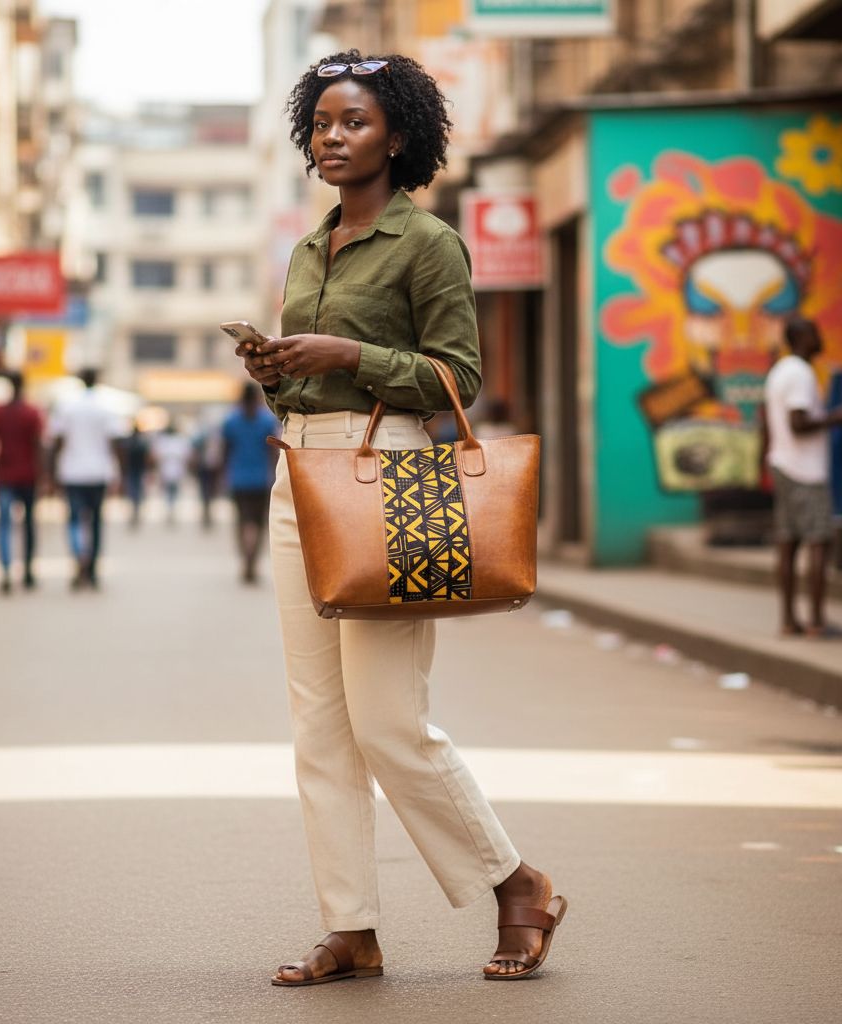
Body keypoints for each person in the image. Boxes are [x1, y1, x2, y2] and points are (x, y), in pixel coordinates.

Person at [236, 50, 567, 986]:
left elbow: (458, 378)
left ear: (399, 137)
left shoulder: (428, 242)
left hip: (391, 479)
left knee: (387, 720)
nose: (332, 138)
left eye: (355, 122)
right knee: (320, 726)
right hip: (303, 475)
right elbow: (309, 381)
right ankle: (351, 927)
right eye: (322, 123)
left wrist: (349, 352)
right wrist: (276, 373)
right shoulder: (310, 247)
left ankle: (518, 882)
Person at [762, 316, 842, 638]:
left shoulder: (779, 371)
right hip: (805, 470)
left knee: (788, 542)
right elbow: (798, 423)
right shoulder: (800, 373)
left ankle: (788, 620)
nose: (820, 338)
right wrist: (840, 417)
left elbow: (767, 422)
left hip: (783, 463)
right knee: (819, 540)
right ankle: (817, 621)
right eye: (814, 333)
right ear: (800, 337)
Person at [48, 368, 125, 590]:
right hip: (99, 472)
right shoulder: (106, 407)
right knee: (96, 523)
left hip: (72, 472)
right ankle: (91, 569)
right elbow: (115, 443)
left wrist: (52, 472)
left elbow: (57, 441)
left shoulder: (67, 405)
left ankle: (79, 556)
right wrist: (119, 473)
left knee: (74, 520)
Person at [0, 371, 43, 594]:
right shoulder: (32, 412)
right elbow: (39, 445)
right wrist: (44, 474)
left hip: (5, 475)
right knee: (28, 525)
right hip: (28, 474)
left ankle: (6, 570)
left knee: (4, 525)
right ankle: (27, 570)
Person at [221, 383, 280, 583]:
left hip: (238, 479)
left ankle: (245, 560)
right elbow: (272, 452)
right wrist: (276, 475)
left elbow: (225, 451)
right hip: (262, 480)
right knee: (258, 523)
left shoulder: (231, 421)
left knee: (242, 521)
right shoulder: (266, 420)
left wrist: (223, 476)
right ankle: (252, 561)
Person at [151, 419, 190, 526]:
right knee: (170, 491)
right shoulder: (176, 440)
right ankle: (170, 508)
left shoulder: (168, 441)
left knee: (171, 491)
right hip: (170, 469)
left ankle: (171, 508)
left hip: (172, 469)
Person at [190, 421, 224, 529]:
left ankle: (207, 511)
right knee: (208, 490)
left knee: (207, 490)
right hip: (208, 468)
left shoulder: (202, 438)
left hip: (208, 468)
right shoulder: (214, 438)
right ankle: (207, 511)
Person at [121, 423, 150, 528]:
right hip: (137, 470)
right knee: (136, 491)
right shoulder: (142, 442)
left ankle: (134, 511)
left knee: (133, 491)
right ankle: (135, 511)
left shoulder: (129, 442)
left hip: (132, 470)